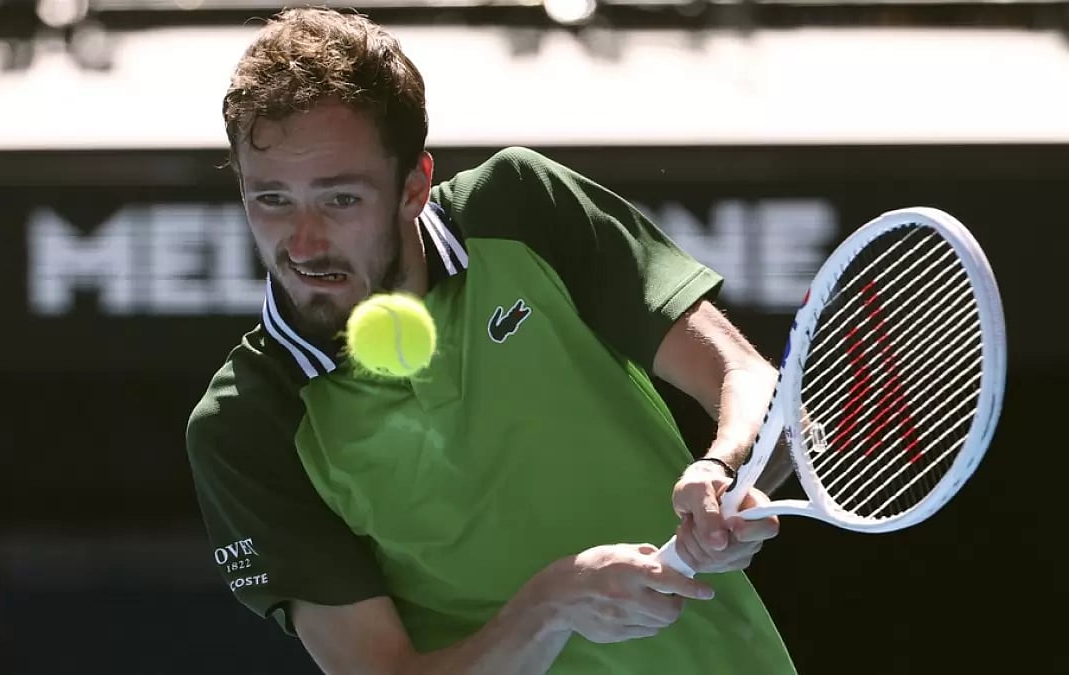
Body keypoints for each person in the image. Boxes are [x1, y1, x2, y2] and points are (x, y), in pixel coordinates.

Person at [185, 7, 798, 674]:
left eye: (340, 201)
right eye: (270, 199)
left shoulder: (520, 207)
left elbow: (749, 381)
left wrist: (726, 471)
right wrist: (551, 604)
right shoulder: (246, 423)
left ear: (414, 187)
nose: (300, 243)